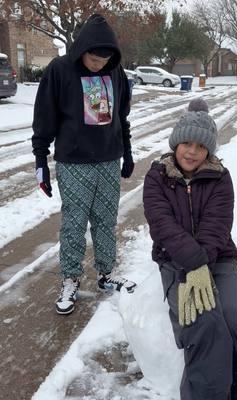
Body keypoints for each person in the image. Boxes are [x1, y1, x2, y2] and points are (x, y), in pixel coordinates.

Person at [143, 98, 237, 400]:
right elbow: (162, 225)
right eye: (186, 143)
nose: (192, 151)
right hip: (175, 262)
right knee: (206, 324)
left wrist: (203, 262)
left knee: (233, 322)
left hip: (219, 257)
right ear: (176, 143)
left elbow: (217, 226)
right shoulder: (158, 176)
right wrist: (193, 265)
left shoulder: (221, 177)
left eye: (200, 146)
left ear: (209, 150)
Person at [32, 14, 136, 315]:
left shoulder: (116, 73)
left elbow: (121, 118)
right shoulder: (60, 70)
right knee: (75, 223)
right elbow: (44, 120)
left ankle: (106, 274)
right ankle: (70, 278)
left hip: (107, 160)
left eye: (104, 59)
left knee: (106, 219)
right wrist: (41, 162)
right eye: (93, 58)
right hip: (73, 163)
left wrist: (126, 153)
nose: (98, 64)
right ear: (82, 50)